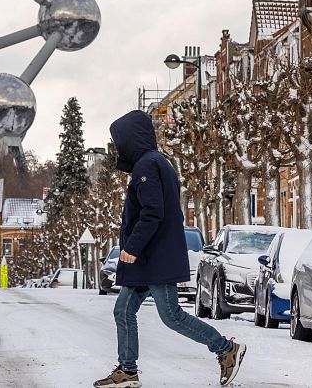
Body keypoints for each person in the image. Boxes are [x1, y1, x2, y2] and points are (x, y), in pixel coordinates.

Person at [93, 110, 246, 388]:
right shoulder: (152, 162)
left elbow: (153, 212)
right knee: (123, 310)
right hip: (148, 258)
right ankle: (127, 370)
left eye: (120, 141)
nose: (118, 148)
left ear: (131, 138)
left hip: (153, 258)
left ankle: (225, 349)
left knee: (172, 316)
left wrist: (133, 247)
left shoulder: (147, 166)